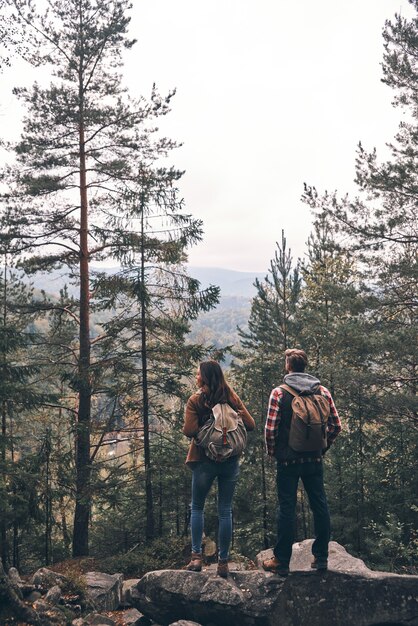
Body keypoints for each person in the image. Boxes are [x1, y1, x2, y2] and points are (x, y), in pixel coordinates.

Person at [263, 348, 341, 576]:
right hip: (314, 458)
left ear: (288, 366)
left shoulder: (279, 393)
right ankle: (321, 557)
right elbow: (336, 426)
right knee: (319, 504)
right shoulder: (323, 391)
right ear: (304, 366)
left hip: (287, 461)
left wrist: (274, 452)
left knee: (286, 507)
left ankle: (282, 561)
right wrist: (322, 447)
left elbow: (270, 430)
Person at [183, 359, 255, 577]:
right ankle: (223, 562)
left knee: (197, 507)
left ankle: (196, 558)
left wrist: (205, 430)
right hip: (230, 462)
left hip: (204, 461)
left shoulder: (196, 400)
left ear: (204, 377)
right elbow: (250, 425)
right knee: (225, 510)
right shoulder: (230, 396)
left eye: (197, 374)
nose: (196, 377)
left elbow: (188, 430)